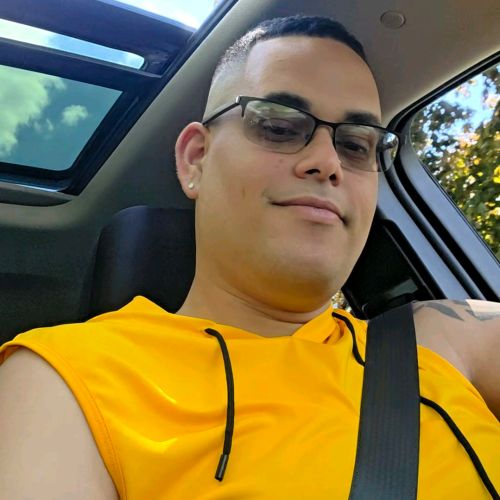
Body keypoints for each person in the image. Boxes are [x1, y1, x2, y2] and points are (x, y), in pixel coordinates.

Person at [0, 15, 499, 500]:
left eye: (355, 145)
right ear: (195, 159)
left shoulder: (440, 337)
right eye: (279, 126)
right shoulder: (67, 379)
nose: (328, 162)